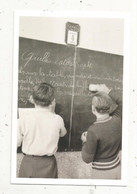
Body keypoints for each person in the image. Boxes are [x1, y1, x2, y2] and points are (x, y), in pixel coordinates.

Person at [17, 82, 67, 178]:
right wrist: (52, 112)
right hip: (49, 164)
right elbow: (63, 134)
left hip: (29, 163)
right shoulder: (57, 119)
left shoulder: (23, 119)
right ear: (52, 100)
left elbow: (17, 142)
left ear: (32, 99)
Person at [81, 84, 122, 179]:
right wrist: (107, 91)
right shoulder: (118, 119)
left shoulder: (93, 130)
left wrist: (84, 141)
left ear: (93, 109)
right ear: (110, 107)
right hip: (117, 167)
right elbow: (123, 102)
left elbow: (87, 159)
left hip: (101, 173)